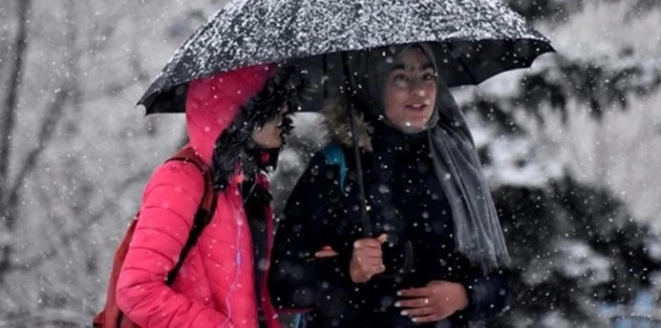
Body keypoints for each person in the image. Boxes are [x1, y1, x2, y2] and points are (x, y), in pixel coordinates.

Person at [269, 44, 511, 327]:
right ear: (372, 83)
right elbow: (282, 286)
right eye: (401, 78)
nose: (419, 91)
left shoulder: (455, 164)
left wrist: (465, 296)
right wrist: (345, 269)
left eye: (427, 76)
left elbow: (501, 282)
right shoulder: (335, 166)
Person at [116, 64, 305, 328]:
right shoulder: (181, 179)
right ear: (238, 112)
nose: (285, 110)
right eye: (272, 101)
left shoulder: (250, 186)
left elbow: (256, 296)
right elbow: (137, 290)